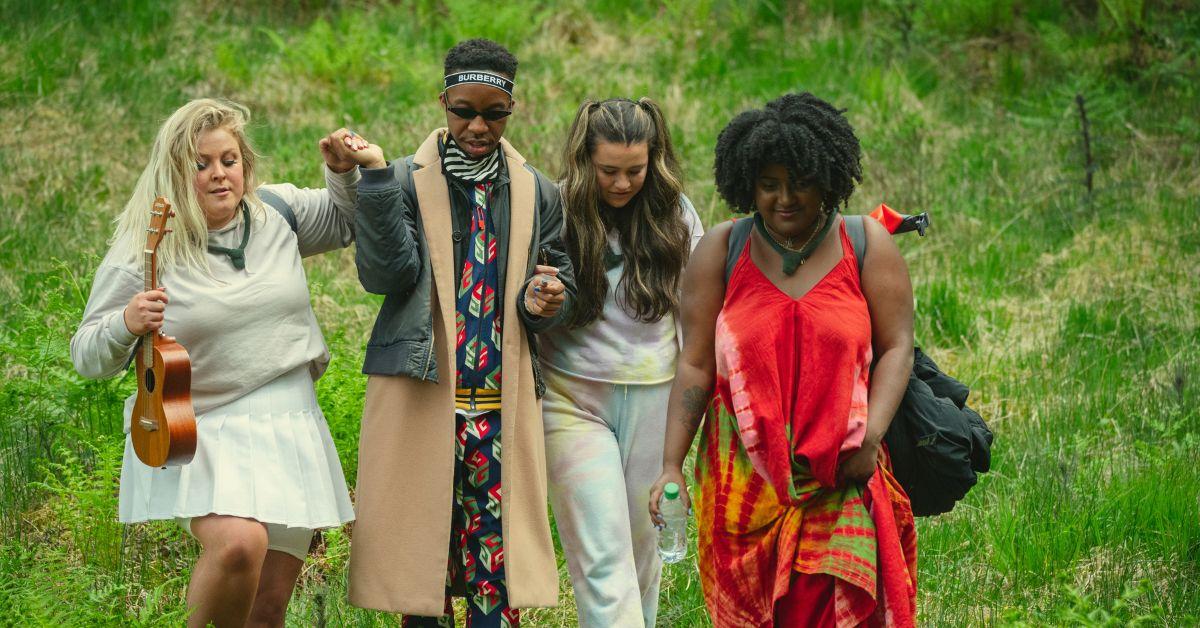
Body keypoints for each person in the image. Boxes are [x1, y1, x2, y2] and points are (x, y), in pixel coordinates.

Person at [70, 98, 361, 627]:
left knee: (267, 610)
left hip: (288, 424)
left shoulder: (279, 214)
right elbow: (86, 354)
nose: (218, 174)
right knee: (238, 546)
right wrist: (125, 323)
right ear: (177, 173)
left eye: (228, 160)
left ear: (245, 163)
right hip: (198, 426)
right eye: (200, 164)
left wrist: (340, 171)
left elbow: (347, 220)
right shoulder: (150, 245)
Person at [648, 93, 919, 627]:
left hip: (843, 474)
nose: (785, 197)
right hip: (743, 484)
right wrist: (669, 464)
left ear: (827, 178)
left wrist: (870, 439)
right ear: (747, 183)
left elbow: (897, 348)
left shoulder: (865, 244)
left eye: (800, 182)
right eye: (769, 184)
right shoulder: (722, 252)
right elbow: (696, 366)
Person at [338, 39, 575, 627]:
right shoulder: (405, 181)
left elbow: (554, 282)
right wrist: (374, 178)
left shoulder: (536, 191)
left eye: (494, 114)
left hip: (500, 406)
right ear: (443, 101)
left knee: (495, 581)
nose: (478, 125)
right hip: (425, 397)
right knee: (422, 571)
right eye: (464, 110)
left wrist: (545, 297)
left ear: (511, 111)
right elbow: (386, 275)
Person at [538, 97, 702, 628]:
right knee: (602, 558)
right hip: (570, 398)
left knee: (641, 557)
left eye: (636, 170)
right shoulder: (555, 208)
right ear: (585, 160)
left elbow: (696, 316)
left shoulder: (676, 212)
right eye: (608, 170)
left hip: (655, 395)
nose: (622, 183)